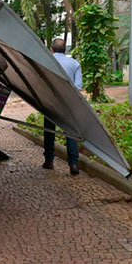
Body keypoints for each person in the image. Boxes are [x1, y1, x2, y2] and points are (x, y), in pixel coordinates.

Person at [42, 38, 81, 175]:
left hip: (50, 103)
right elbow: (78, 87)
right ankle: (74, 165)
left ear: (51, 50)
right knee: (71, 133)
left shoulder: (45, 62)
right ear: (65, 50)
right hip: (69, 104)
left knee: (49, 131)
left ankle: (49, 161)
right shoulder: (74, 63)